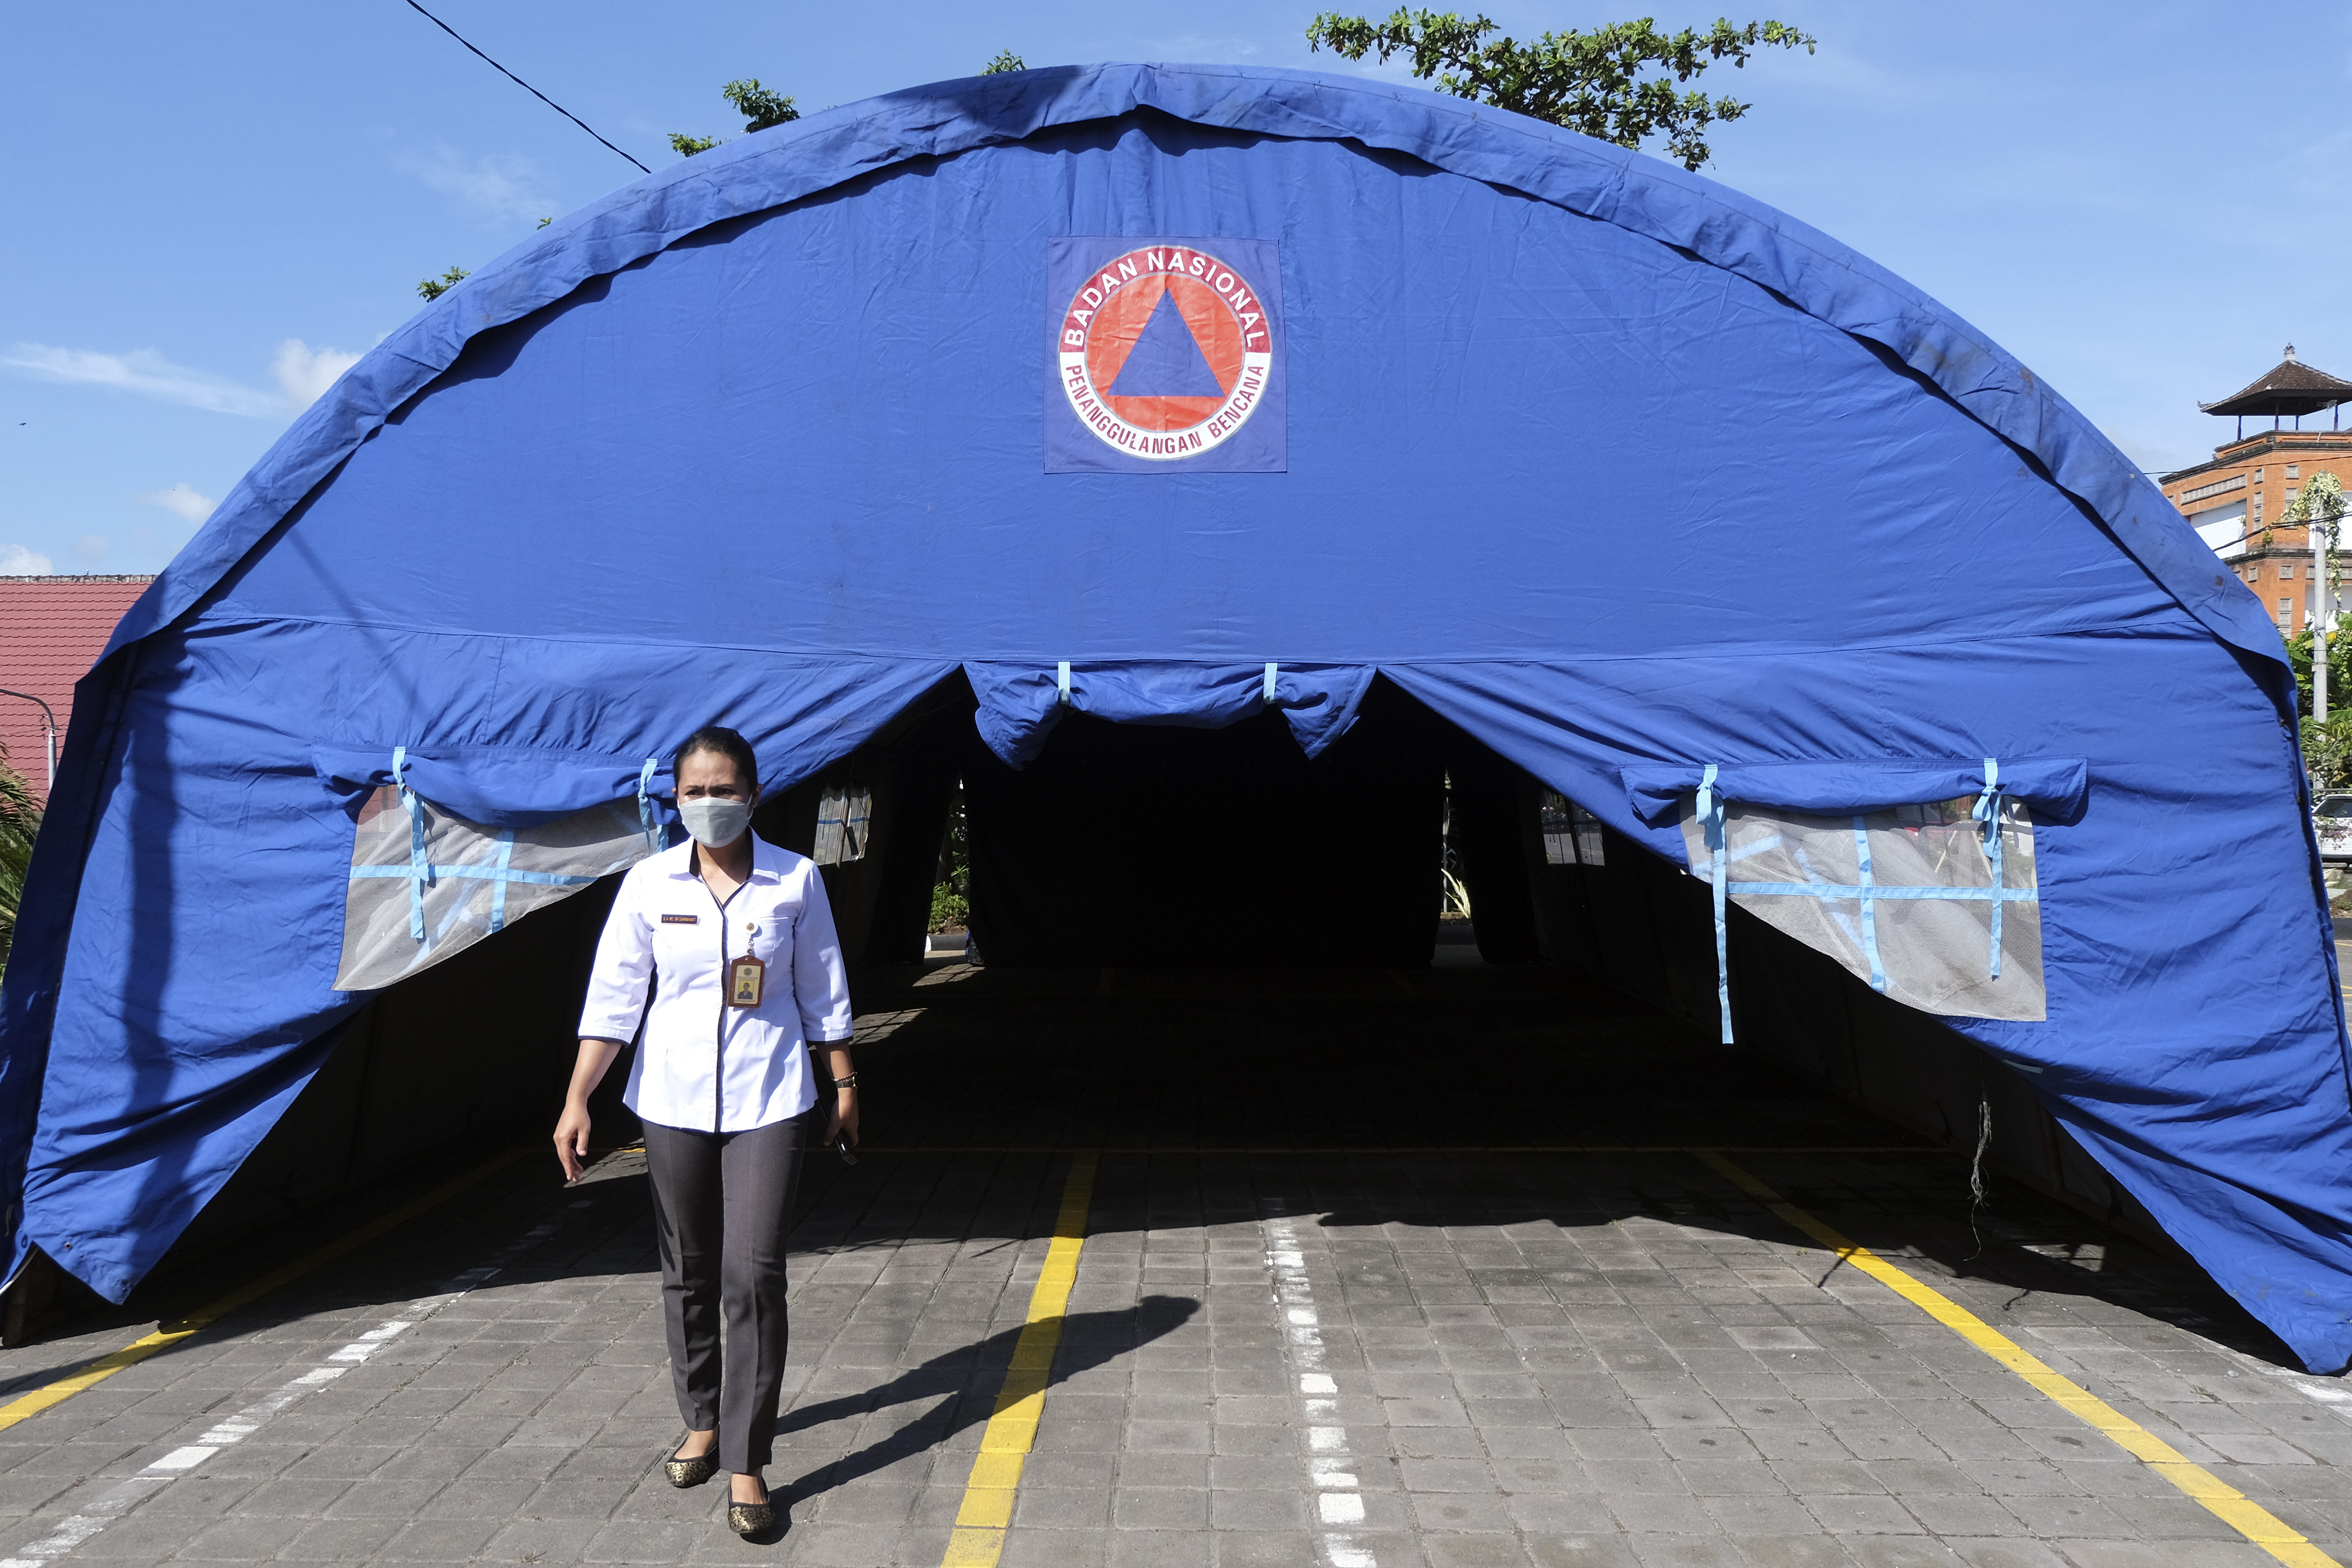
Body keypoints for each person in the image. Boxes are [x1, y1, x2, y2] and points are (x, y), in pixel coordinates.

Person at [555, 725, 860, 1538]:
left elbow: (823, 988)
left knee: (753, 1273)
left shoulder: (796, 880)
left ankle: (748, 1462)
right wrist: (579, 1097)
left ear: (754, 795)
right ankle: (702, 1416)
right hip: (672, 1099)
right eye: (695, 791)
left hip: (769, 1096)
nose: (710, 804)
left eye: (725, 790)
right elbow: (615, 998)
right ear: (676, 800)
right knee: (687, 1266)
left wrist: (843, 1084)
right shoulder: (650, 886)